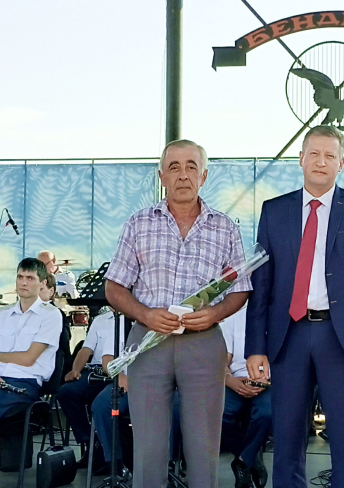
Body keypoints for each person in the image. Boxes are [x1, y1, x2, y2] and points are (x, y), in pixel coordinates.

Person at [245, 125, 344, 488]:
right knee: (286, 439)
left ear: (341, 163)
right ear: (301, 159)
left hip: (341, 340)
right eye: (314, 153)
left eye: (329, 155)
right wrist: (255, 347)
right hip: (288, 337)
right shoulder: (274, 211)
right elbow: (261, 285)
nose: (321, 161)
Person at [104, 139, 251, 488]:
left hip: (203, 344)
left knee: (204, 449)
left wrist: (214, 314)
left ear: (203, 176)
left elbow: (242, 288)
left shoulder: (225, 227)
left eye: (190, 167)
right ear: (162, 177)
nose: (183, 175)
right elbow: (114, 288)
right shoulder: (138, 223)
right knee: (148, 450)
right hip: (147, 343)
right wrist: (145, 314)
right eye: (174, 167)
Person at [0, 258, 62, 421]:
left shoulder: (51, 315)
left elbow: (28, 359)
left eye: (30, 278)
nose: (23, 283)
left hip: (24, 382)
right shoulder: (2, 314)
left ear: (42, 283)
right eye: (20, 277)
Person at [56, 308, 117, 466]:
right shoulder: (100, 320)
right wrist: (75, 370)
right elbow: (86, 349)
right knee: (66, 392)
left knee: (103, 401)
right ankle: (91, 443)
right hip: (96, 371)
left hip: (118, 373)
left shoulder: (132, 320)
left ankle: (109, 451)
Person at [220, 308, 270, 488]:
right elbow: (223, 360)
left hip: (270, 381)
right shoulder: (234, 315)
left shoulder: (280, 315)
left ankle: (242, 462)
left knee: (267, 412)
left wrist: (267, 380)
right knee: (219, 412)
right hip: (236, 379)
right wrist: (230, 380)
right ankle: (251, 458)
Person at [39, 273, 73, 379]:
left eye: (40, 289)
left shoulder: (56, 314)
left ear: (51, 291)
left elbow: (64, 345)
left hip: (51, 368)